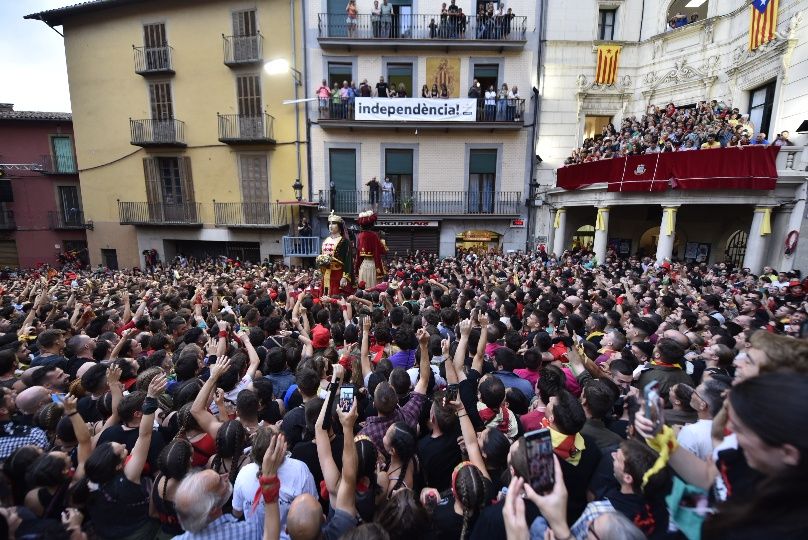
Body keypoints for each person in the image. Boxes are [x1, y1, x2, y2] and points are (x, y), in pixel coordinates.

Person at [318, 211, 353, 295]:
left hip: (338, 273)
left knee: (335, 295)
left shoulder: (344, 241)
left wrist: (345, 277)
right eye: (329, 223)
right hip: (326, 273)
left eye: (333, 223)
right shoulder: (325, 240)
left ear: (339, 226)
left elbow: (348, 260)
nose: (331, 226)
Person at [354, 211, 387, 290]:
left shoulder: (359, 236)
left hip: (363, 265)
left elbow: (358, 255)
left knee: (363, 287)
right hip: (372, 265)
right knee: (372, 288)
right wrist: (382, 241)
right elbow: (380, 252)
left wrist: (356, 269)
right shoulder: (374, 235)